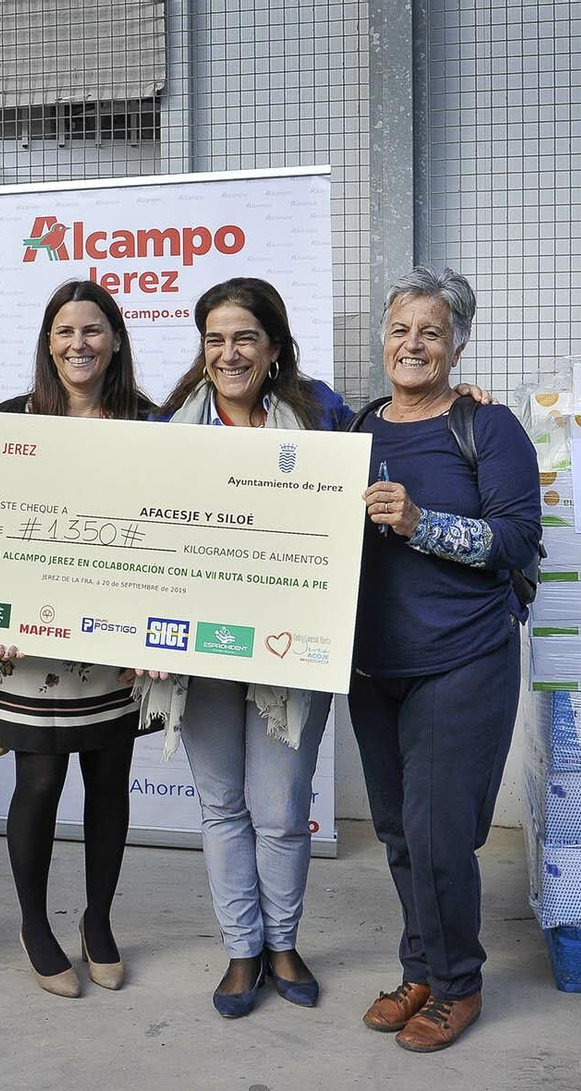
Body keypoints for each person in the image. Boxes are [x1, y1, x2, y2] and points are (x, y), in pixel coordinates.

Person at [145, 277, 354, 1018]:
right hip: (199, 653)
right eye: (215, 339)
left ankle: (282, 940)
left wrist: (471, 398)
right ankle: (242, 947)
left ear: (273, 348)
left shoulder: (322, 415)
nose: (229, 353)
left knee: (279, 804)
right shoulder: (168, 430)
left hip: (288, 651)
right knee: (222, 804)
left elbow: (387, 456)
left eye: (244, 338)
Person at [350, 266, 540, 1052]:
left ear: (458, 343)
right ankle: (421, 965)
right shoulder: (355, 426)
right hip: (372, 667)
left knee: (437, 834)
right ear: (382, 339)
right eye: (401, 329)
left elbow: (517, 540)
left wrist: (420, 522)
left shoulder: (487, 427)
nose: (414, 343)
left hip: (461, 659)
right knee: (399, 832)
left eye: (432, 330)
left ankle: (458, 983)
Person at [0, 281, 157, 998]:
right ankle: (34, 925)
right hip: (32, 650)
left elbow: (171, 530)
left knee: (109, 785)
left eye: (93, 329)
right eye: (65, 331)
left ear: (116, 339)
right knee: (39, 782)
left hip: (120, 649)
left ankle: (98, 920)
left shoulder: (152, 423)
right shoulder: (8, 420)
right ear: (47, 342)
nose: (79, 343)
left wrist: (158, 629)